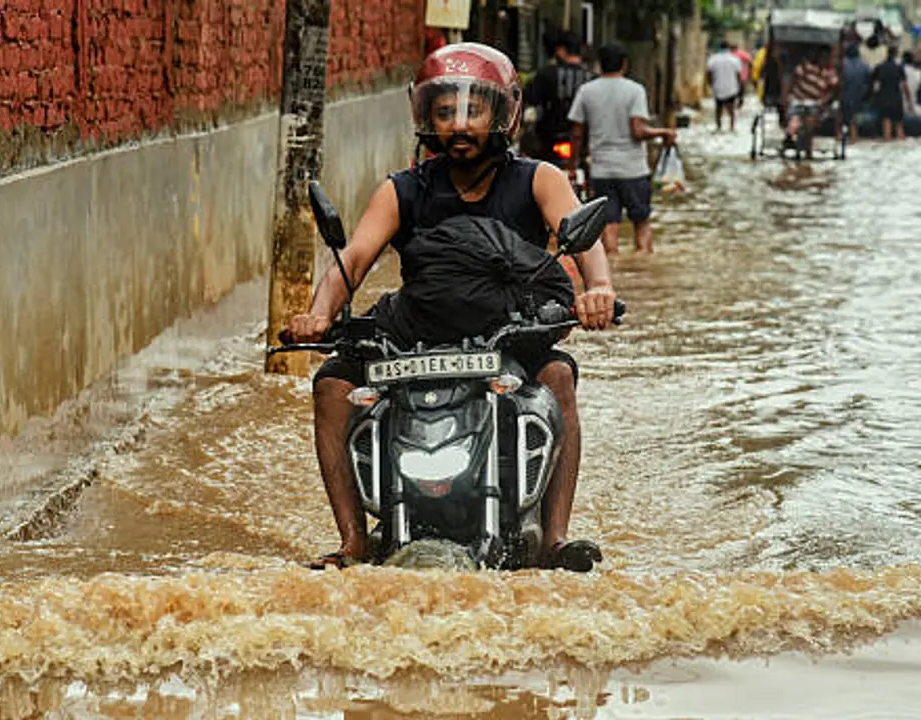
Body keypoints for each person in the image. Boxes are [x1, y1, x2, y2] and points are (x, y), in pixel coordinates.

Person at [286, 43, 618, 572]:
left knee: (558, 377)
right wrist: (319, 313)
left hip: (509, 333)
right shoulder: (403, 189)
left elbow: (583, 242)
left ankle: (555, 539)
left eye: (473, 110)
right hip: (415, 334)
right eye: (445, 111)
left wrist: (596, 289)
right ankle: (351, 540)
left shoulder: (538, 179)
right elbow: (353, 259)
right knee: (330, 385)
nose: (459, 124)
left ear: (502, 112)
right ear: (426, 115)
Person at [567, 43, 676, 254]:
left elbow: (577, 133)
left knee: (609, 224)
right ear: (624, 64)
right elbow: (638, 131)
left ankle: (614, 272)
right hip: (633, 169)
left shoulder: (586, 91)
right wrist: (663, 133)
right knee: (641, 222)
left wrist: (572, 166)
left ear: (600, 64)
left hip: (601, 170)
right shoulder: (635, 90)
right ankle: (642, 270)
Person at [523, 31, 596, 167]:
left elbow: (531, 102)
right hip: (585, 144)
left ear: (561, 51)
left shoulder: (545, 74)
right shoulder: (591, 78)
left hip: (548, 142)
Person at [784, 48, 830, 143]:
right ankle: (789, 136)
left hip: (814, 103)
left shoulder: (827, 74)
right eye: (823, 58)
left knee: (811, 124)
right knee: (794, 119)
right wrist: (788, 94)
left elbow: (832, 88)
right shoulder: (806, 67)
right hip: (798, 99)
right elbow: (794, 78)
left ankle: (808, 146)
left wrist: (824, 101)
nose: (825, 61)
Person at [871, 45, 911, 140]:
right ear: (896, 55)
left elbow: (875, 86)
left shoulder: (879, 67)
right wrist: (909, 100)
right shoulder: (899, 68)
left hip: (884, 98)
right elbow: (905, 86)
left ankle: (887, 141)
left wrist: (874, 98)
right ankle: (903, 145)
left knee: (886, 124)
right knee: (899, 125)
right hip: (896, 98)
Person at [706, 40, 745, 132]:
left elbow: (708, 73)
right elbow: (739, 75)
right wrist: (740, 88)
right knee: (731, 109)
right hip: (731, 87)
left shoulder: (713, 59)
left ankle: (719, 127)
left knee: (718, 108)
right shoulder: (734, 59)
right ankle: (731, 127)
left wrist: (711, 84)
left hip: (717, 86)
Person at [840, 44, 871, 143]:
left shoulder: (843, 64)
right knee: (854, 119)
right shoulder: (864, 66)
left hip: (844, 95)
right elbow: (868, 82)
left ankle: (842, 137)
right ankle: (854, 137)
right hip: (859, 96)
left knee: (843, 118)